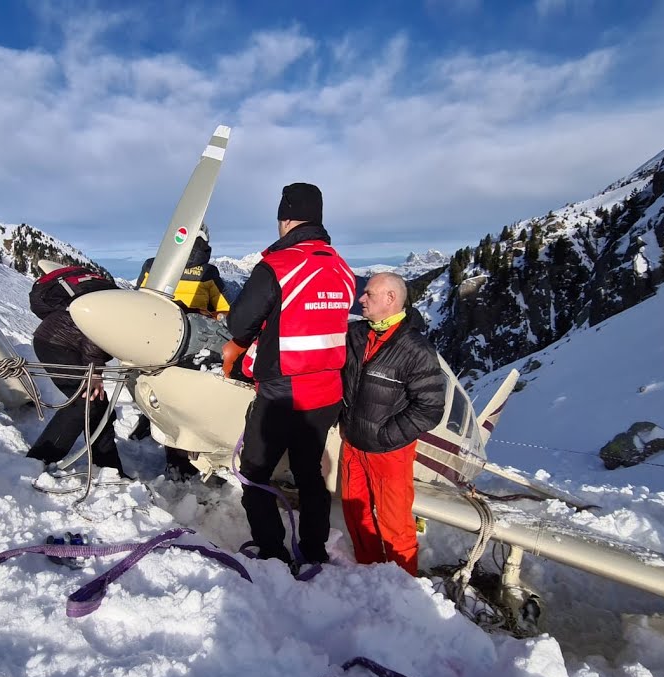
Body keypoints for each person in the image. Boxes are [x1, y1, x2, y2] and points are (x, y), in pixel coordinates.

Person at [223, 183, 355, 566]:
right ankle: (313, 551)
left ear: (285, 219)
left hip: (283, 393)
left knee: (255, 473)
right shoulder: (343, 269)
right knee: (309, 474)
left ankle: (273, 551)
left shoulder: (278, 265)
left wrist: (241, 344)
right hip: (327, 393)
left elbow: (240, 321)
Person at [338, 272, 446, 576]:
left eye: (368, 294)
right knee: (355, 514)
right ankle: (368, 572)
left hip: (389, 452)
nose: (361, 299)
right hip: (354, 445)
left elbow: (430, 408)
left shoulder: (417, 350)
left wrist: (386, 436)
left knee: (394, 523)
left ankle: (403, 585)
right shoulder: (357, 334)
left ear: (390, 299)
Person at [135, 223, 233, 479]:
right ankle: (186, 462)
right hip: (194, 346)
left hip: (156, 343)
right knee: (185, 404)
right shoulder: (209, 272)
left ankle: (151, 430)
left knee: (157, 391)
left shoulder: (151, 265)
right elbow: (224, 311)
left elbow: (139, 300)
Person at [25, 288, 125, 477]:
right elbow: (96, 334)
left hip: (71, 344)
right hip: (56, 342)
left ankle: (109, 469)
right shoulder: (134, 314)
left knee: (99, 405)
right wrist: (93, 372)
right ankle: (38, 460)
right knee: (84, 402)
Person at [135, 223, 231, 317]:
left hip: (153, 326)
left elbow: (135, 299)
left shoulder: (151, 266)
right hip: (193, 330)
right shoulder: (208, 272)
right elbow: (227, 311)